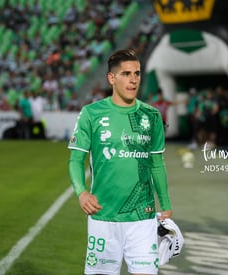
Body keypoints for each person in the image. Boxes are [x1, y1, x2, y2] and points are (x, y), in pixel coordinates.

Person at [68, 49, 173, 275]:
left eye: (137, 73)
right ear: (111, 78)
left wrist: (164, 203)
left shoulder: (152, 115)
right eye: (126, 74)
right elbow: (76, 158)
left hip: (142, 218)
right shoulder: (91, 113)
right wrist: (81, 192)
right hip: (103, 216)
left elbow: (157, 163)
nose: (133, 79)